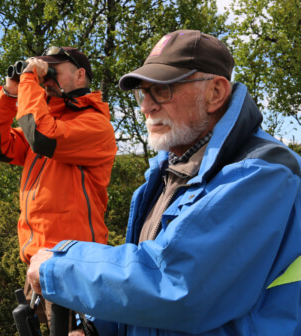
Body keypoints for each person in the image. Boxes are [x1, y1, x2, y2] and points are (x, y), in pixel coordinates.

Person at [27, 30, 301, 336]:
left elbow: (178, 284)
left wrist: (61, 266)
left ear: (215, 93)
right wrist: (96, 329)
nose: (146, 106)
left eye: (163, 90)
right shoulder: (167, 172)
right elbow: (145, 284)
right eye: (143, 93)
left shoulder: (263, 173)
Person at [0, 46, 117, 326]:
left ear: (80, 75)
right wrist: (9, 94)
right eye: (44, 70)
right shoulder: (49, 123)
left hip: (74, 266)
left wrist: (30, 80)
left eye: (54, 70)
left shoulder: (94, 124)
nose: (47, 76)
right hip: (39, 267)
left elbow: (41, 136)